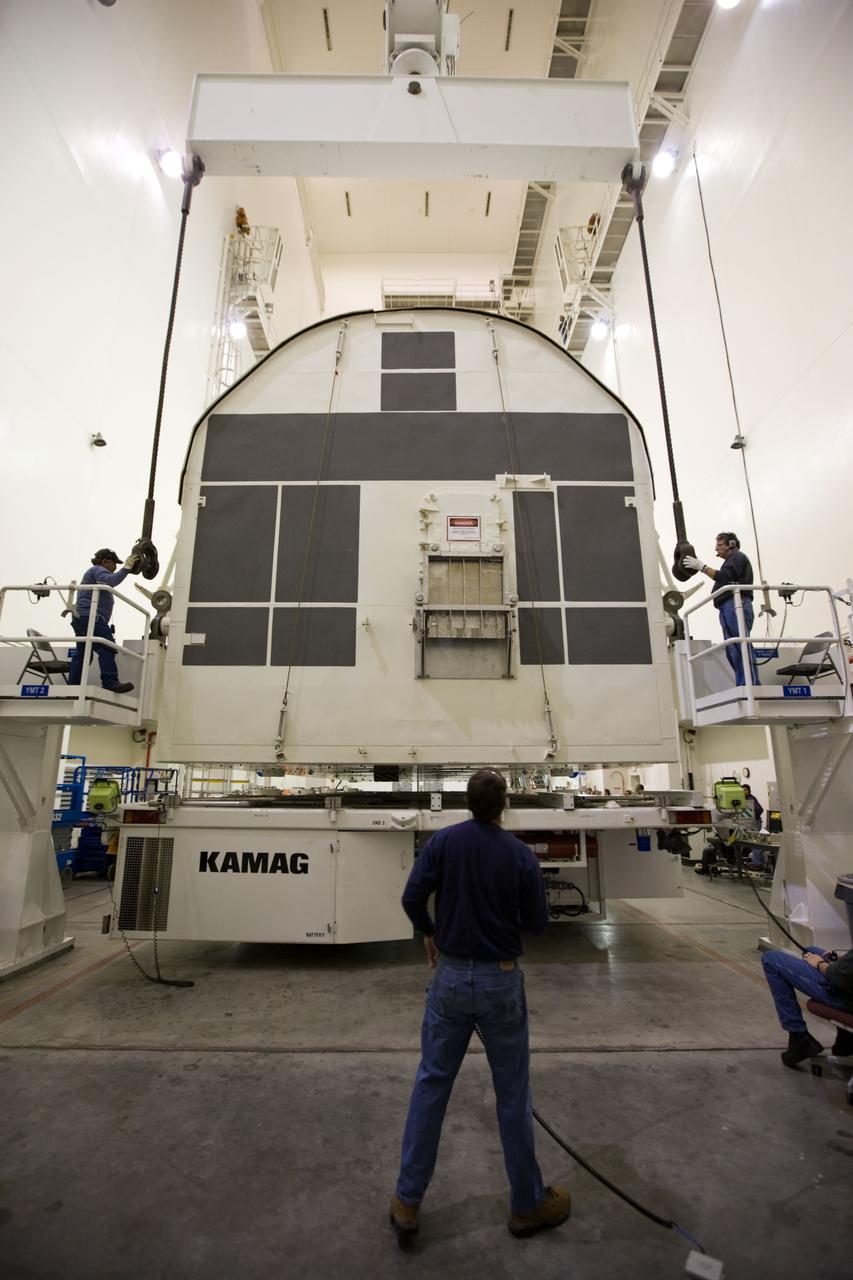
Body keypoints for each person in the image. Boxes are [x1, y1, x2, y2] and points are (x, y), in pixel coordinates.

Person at [390, 769, 571, 1240]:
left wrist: (431, 932)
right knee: (513, 1096)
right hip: (501, 982)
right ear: (503, 805)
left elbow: (411, 897)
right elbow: (537, 924)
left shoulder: (442, 843)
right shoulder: (518, 856)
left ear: (466, 803)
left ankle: (407, 1202)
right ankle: (527, 1205)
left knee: (431, 1085)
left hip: (448, 978)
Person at [683, 532, 758, 687]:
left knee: (739, 644)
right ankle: (744, 683)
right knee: (734, 647)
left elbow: (725, 577)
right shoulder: (733, 560)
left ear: (731, 544)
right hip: (728, 606)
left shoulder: (736, 557)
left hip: (736, 604)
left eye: (720, 545)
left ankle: (750, 684)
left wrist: (702, 567)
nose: (716, 548)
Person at [761, 946, 853, 1066]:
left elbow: (840, 975)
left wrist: (820, 964)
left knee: (770, 959)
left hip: (846, 997)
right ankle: (847, 1041)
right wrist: (845, 957)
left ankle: (799, 1037)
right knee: (810, 951)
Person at [68, 547, 140, 694]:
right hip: (92, 619)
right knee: (107, 647)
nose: (115, 568)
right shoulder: (98, 570)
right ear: (105, 561)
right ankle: (110, 682)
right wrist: (126, 568)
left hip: (83, 618)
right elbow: (109, 581)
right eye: (114, 564)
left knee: (83, 653)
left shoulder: (94, 572)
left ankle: (73, 687)